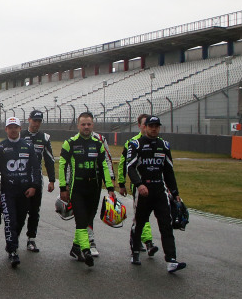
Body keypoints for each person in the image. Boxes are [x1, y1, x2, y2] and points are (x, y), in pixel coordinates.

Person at [125, 116, 186, 273]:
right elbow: (130, 167)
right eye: (150, 126)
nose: (153, 129)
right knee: (139, 223)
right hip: (144, 191)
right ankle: (135, 252)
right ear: (145, 127)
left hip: (160, 190)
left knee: (166, 224)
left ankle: (171, 259)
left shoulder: (164, 145)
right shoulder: (136, 144)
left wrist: (175, 193)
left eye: (156, 126)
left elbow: (169, 171)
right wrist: (139, 184)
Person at [58, 112, 115, 268]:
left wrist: (109, 187)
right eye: (83, 124)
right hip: (76, 188)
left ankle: (76, 248)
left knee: (88, 218)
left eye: (89, 124)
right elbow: (62, 165)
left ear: (93, 125)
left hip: (94, 188)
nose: (86, 127)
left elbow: (104, 166)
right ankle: (85, 250)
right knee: (81, 220)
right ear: (78, 125)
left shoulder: (98, 144)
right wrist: (63, 187)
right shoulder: (70, 143)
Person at [0, 117, 42, 267]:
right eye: (10, 127)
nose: (13, 130)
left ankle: (13, 242)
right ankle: (12, 250)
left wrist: (34, 186)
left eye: (16, 127)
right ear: (6, 129)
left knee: (20, 220)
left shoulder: (28, 146)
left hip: (25, 190)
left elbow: (35, 168)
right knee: (10, 220)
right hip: (8, 190)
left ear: (20, 129)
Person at [118, 114, 158, 258]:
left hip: (156, 186)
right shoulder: (132, 143)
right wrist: (121, 183)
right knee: (142, 216)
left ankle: (134, 239)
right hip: (139, 186)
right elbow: (124, 163)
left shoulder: (158, 142)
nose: (149, 127)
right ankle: (148, 243)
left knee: (141, 217)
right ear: (140, 126)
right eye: (145, 124)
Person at [23, 110, 56, 252]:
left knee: (34, 211)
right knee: (19, 211)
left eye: (39, 121)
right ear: (29, 120)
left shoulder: (45, 138)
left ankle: (31, 239)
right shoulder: (20, 135)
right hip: (21, 178)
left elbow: (49, 160)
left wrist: (52, 180)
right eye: (34, 120)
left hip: (36, 180)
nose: (36, 124)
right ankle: (14, 237)